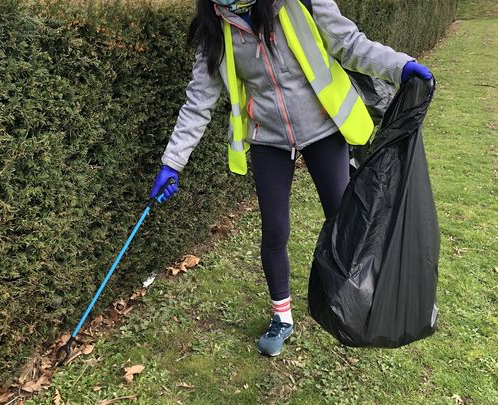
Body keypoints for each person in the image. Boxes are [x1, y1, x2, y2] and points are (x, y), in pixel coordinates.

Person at [149, 0, 432, 357]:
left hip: (324, 130)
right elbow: (198, 101)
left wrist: (399, 65)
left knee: (345, 221)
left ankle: (361, 299)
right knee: (275, 231)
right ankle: (282, 317)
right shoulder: (215, 28)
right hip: (268, 139)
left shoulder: (303, 3)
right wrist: (172, 162)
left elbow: (351, 44)